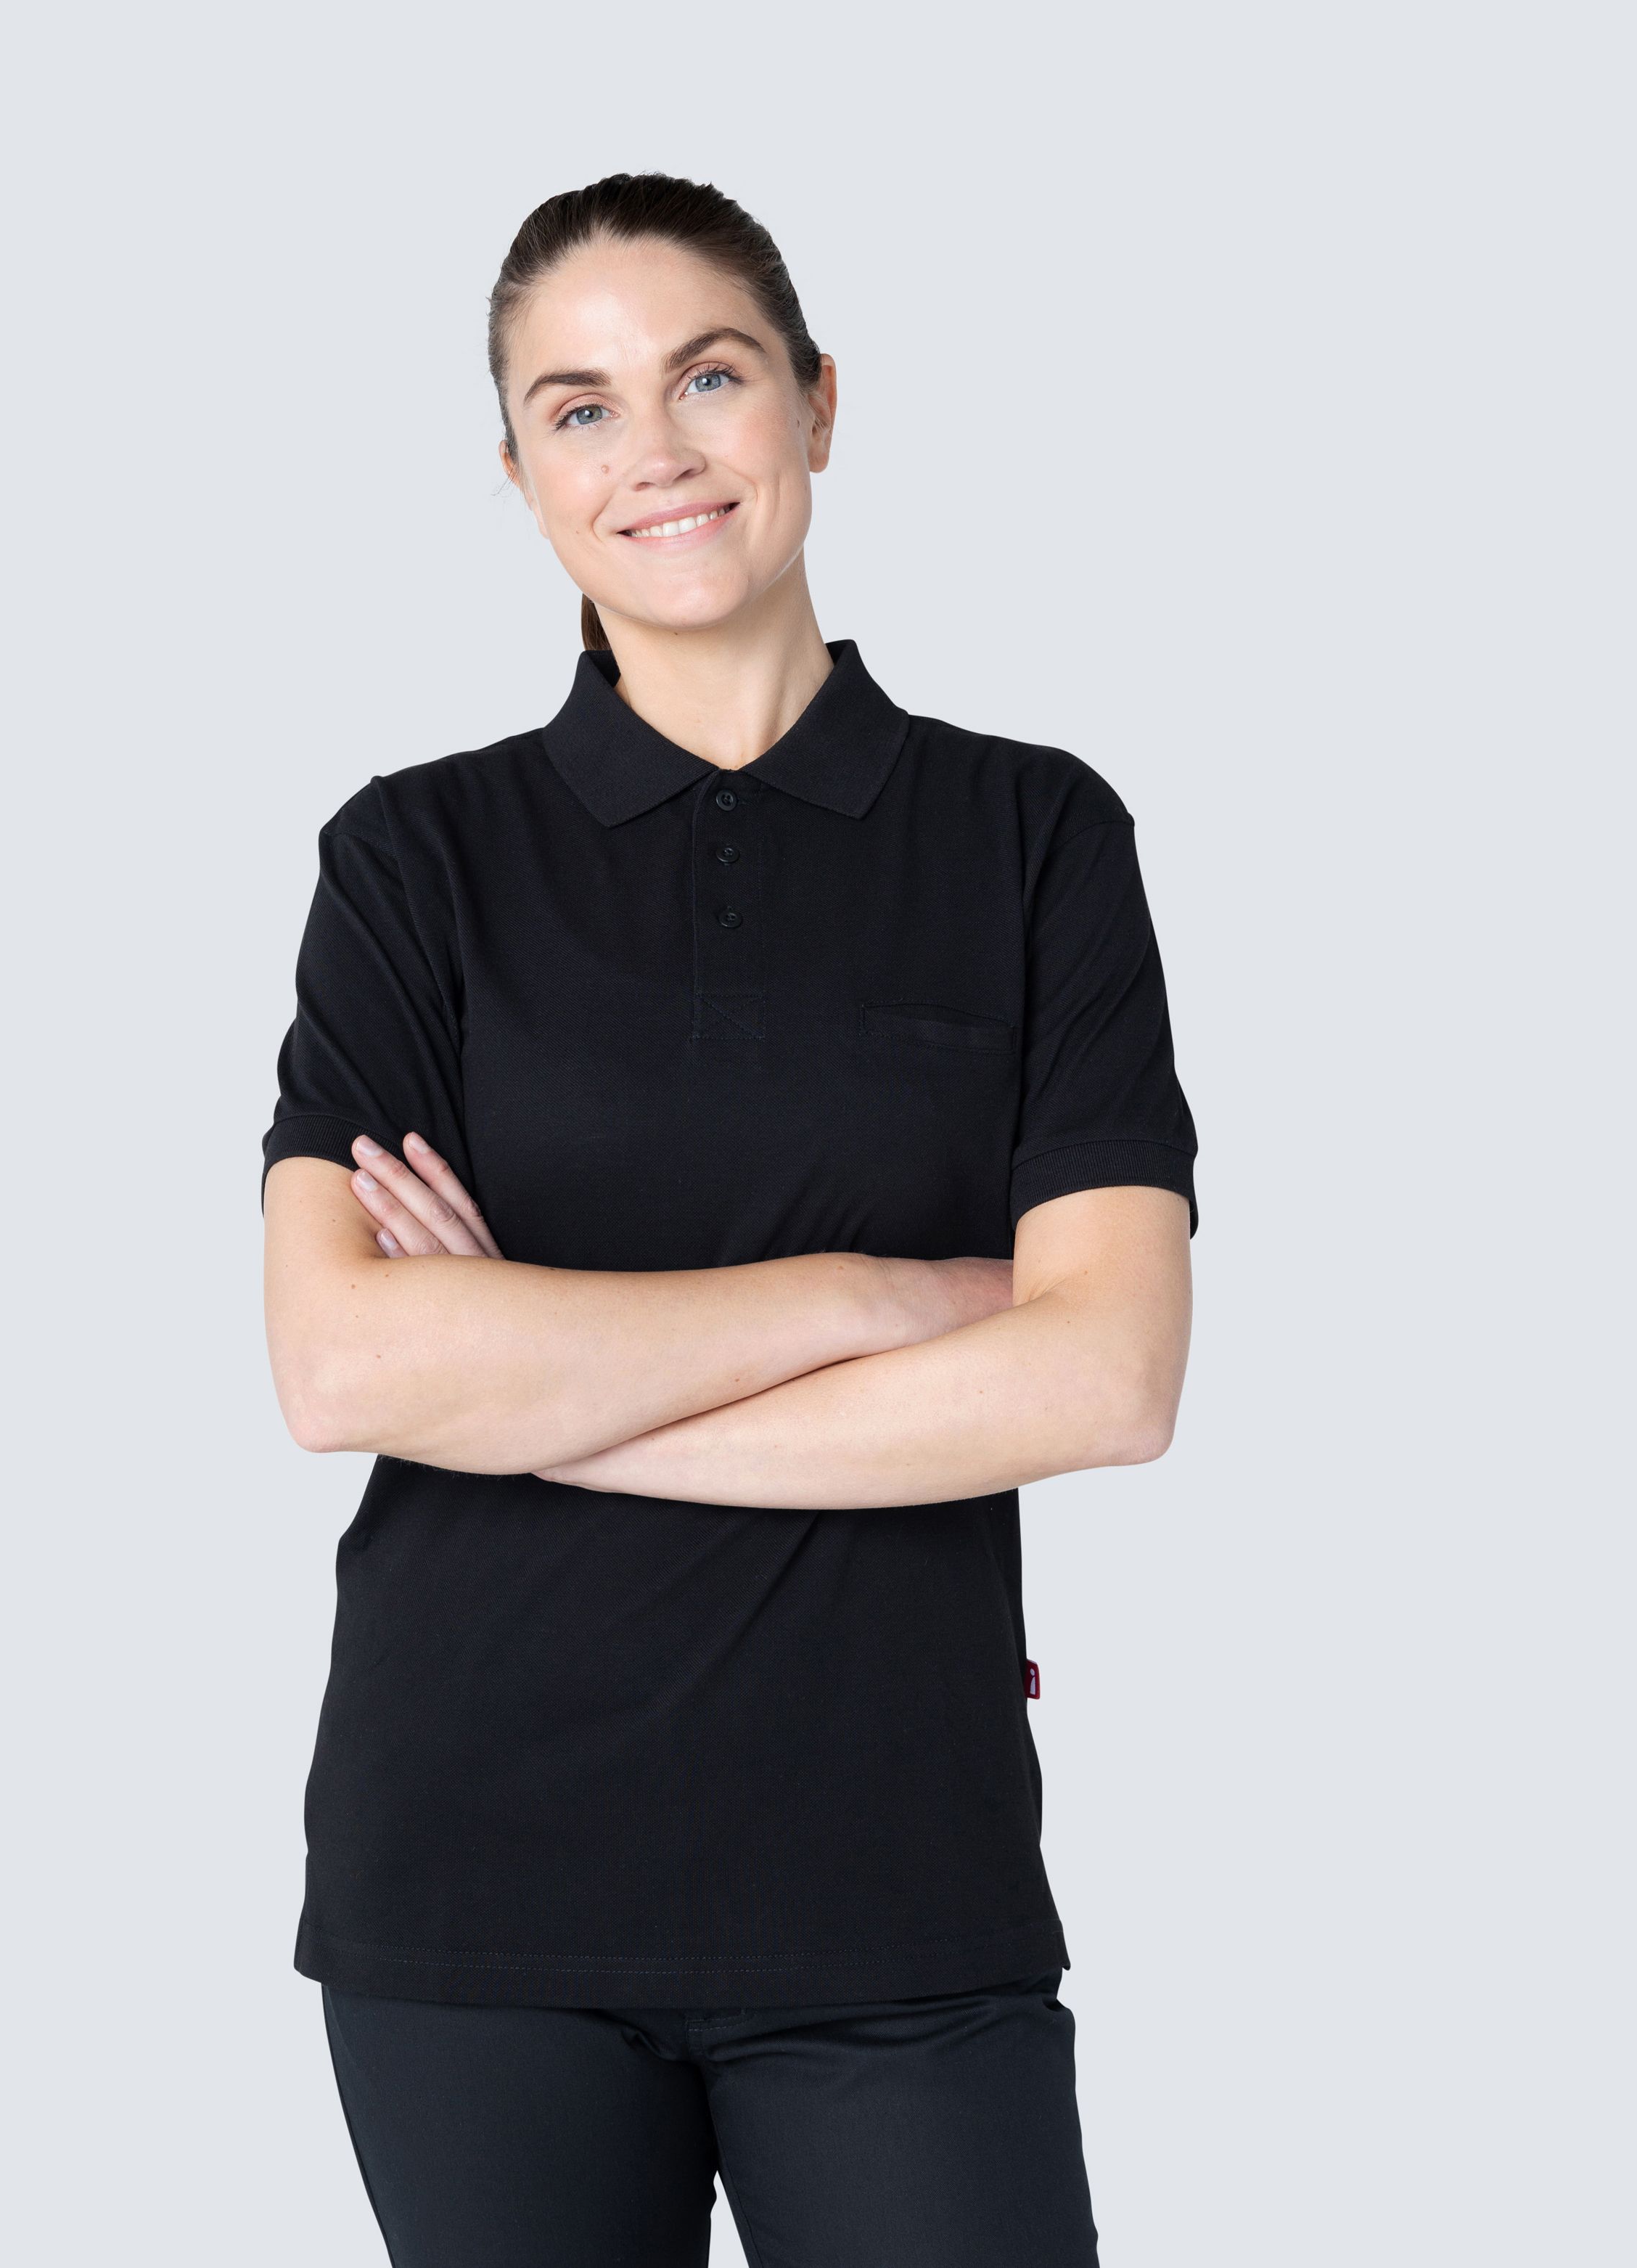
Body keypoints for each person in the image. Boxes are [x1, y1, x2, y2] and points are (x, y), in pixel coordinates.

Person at [260, 171, 1197, 2268]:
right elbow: (342, 1366)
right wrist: (881, 1297)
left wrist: (536, 1394)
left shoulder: (1032, 835)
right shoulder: (414, 859)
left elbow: (1107, 1377)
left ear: (817, 403)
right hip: (475, 1884)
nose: (654, 450)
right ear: (521, 475)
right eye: (577, 408)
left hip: (897, 1878)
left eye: (708, 376)